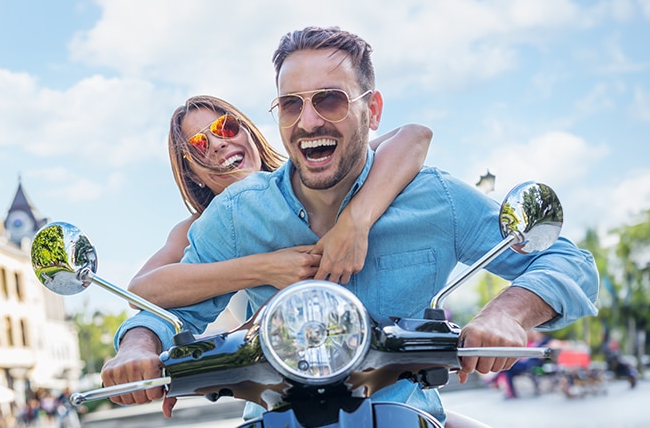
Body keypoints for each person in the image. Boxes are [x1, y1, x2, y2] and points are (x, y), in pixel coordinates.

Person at [103, 26, 599, 427]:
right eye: (292, 104)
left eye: (331, 100)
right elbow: (164, 310)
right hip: (273, 416)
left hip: (405, 412)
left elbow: (568, 260)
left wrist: (506, 314)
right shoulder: (233, 214)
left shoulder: (432, 197)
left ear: (373, 110)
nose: (309, 120)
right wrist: (138, 347)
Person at [126, 95, 433, 307]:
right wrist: (264, 268)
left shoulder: (310, 179)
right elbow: (140, 290)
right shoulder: (197, 230)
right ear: (192, 174)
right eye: (199, 146)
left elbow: (414, 136)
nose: (219, 143)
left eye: (225, 128)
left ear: (248, 132)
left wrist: (355, 222)